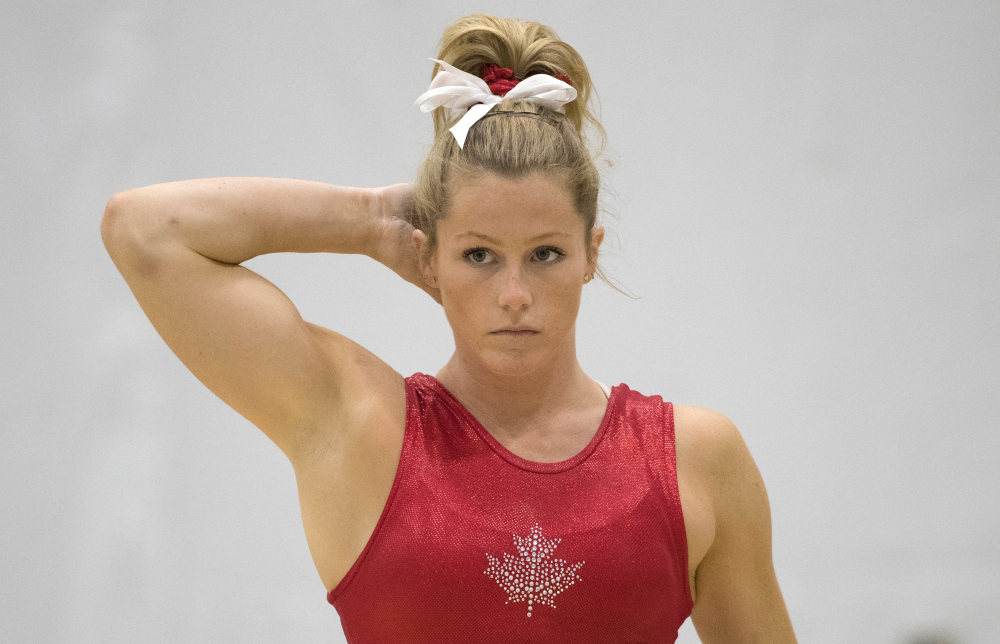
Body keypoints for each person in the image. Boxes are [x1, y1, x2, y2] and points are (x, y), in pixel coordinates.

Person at [101, 13, 796, 644]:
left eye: (545, 254)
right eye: (479, 255)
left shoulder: (696, 461)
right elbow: (144, 230)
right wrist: (371, 219)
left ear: (591, 254)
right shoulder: (360, 424)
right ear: (427, 257)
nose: (515, 295)